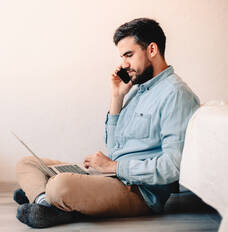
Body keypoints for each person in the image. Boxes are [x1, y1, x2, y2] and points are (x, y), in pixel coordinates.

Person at [14, 18, 200, 228]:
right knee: (28, 163)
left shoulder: (175, 94)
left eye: (129, 55)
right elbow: (114, 147)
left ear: (152, 49)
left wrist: (114, 166)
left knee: (61, 184)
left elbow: (173, 167)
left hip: (138, 191)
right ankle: (46, 203)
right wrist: (117, 96)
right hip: (109, 176)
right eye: (122, 57)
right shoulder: (137, 89)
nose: (124, 64)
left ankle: (45, 196)